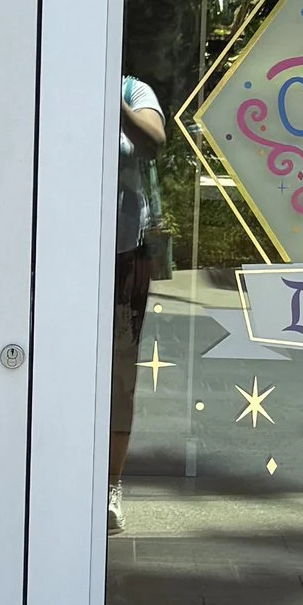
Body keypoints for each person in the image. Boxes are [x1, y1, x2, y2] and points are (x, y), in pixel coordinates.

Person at [111, 73, 168, 525]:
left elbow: (153, 141)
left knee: (119, 372)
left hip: (125, 256)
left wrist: (110, 101)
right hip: (62, 257)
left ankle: (110, 484)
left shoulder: (131, 90)